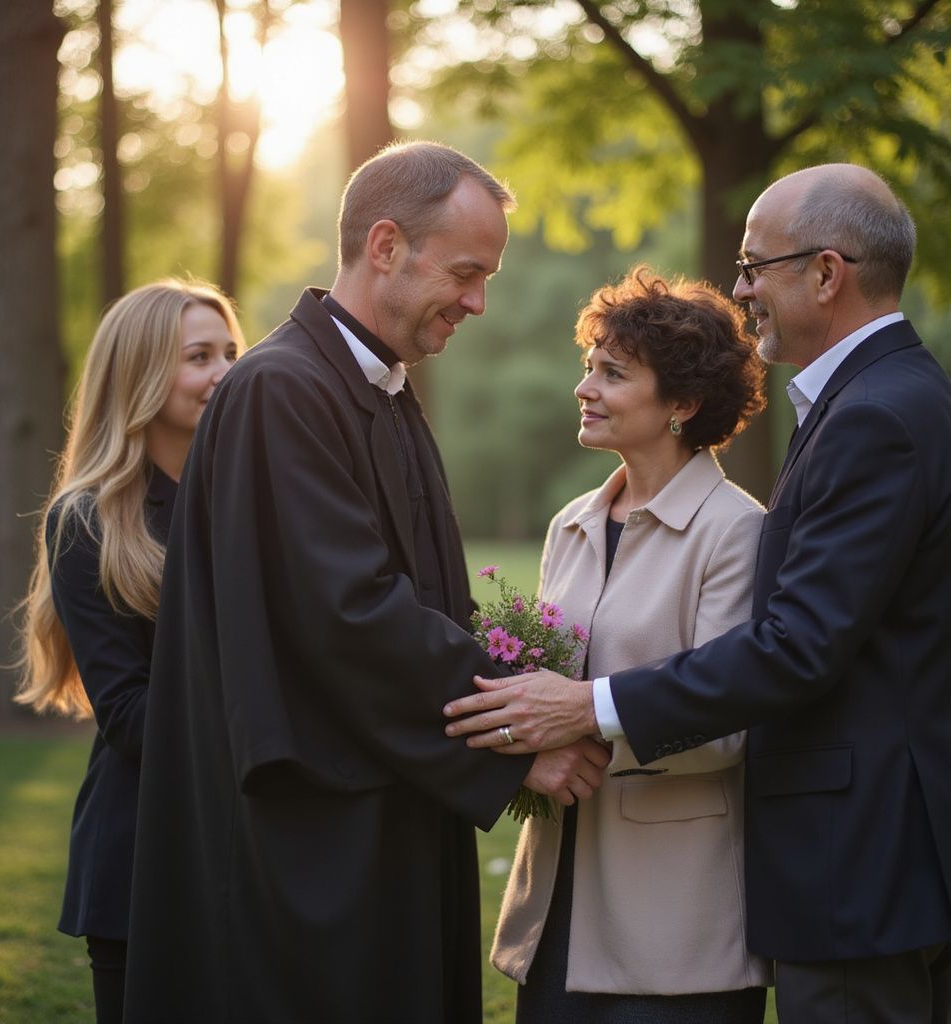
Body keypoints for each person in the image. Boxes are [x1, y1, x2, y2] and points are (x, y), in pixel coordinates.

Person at [444, 164, 951, 1023]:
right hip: (828, 867)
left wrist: (585, 711)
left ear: (826, 273)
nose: (742, 287)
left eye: (756, 266)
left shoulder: (877, 416)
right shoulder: (873, 403)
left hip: (856, 861)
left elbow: (798, 645)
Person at [122, 141, 610, 1024]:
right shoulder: (282, 391)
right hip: (311, 838)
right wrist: (514, 729)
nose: (478, 302)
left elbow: (415, 600)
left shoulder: (381, 391)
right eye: (466, 271)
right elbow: (347, 612)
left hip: (385, 809)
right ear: (385, 245)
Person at [477, 266, 769, 1022]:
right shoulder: (570, 524)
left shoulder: (737, 531)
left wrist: (578, 723)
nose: (585, 388)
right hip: (555, 902)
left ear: (683, 403)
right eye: (588, 367)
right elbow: (537, 681)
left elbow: (731, 725)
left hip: (674, 923)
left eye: (613, 373)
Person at [15, 279, 244, 1024]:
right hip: (145, 849)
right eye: (198, 356)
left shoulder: (248, 497)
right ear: (141, 372)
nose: (223, 373)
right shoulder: (87, 521)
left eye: (230, 353)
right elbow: (129, 715)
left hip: (251, 841)